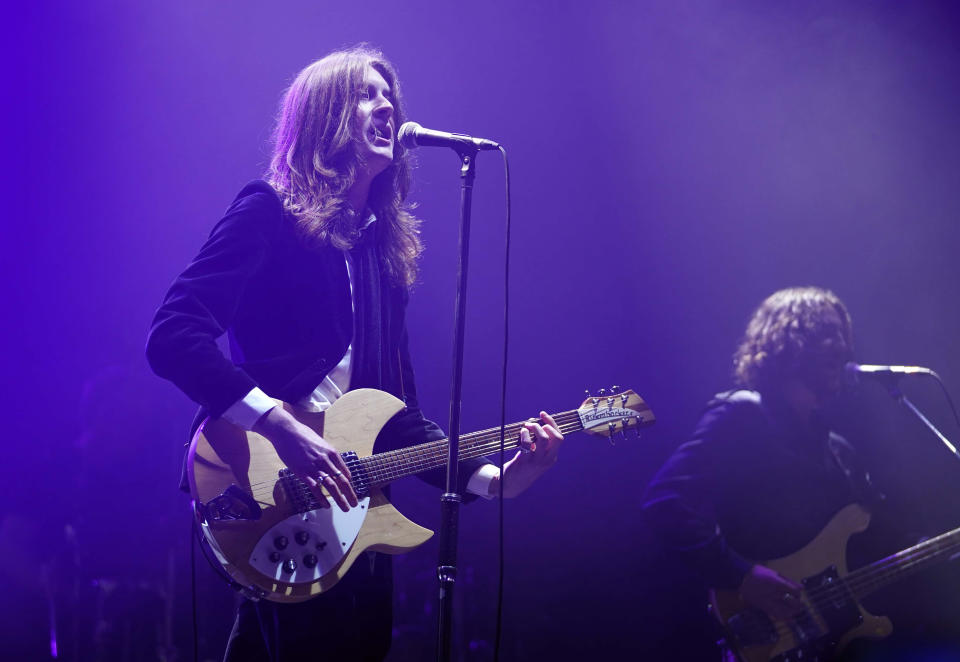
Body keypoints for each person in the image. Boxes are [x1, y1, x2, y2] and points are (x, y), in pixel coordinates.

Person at [146, 45, 563, 662]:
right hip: (264, 487)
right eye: (366, 94)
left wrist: (501, 479)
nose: (387, 104)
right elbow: (173, 333)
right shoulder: (268, 213)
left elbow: (400, 420)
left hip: (355, 524)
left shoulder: (379, 255)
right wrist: (280, 425)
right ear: (324, 118)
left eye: (388, 95)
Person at [641, 286, 925, 660]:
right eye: (825, 331)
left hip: (835, 642)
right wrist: (740, 575)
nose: (841, 344)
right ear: (789, 343)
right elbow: (665, 502)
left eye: (842, 333)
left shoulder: (838, 448)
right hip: (767, 633)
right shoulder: (742, 416)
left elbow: (880, 542)